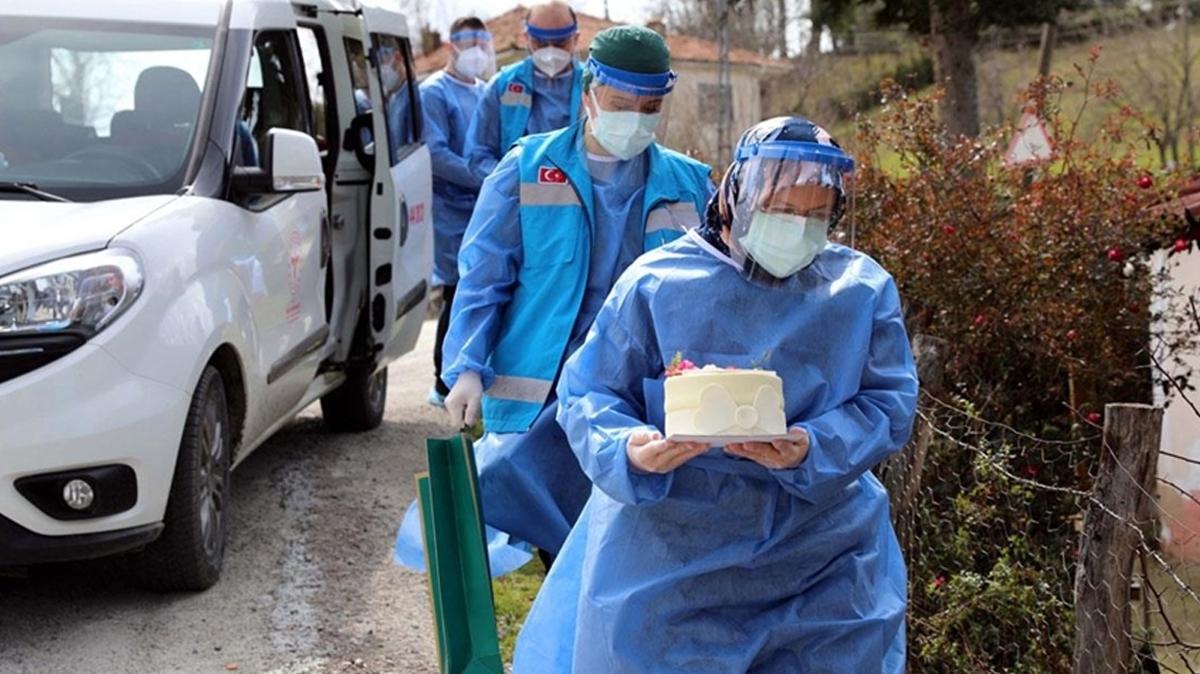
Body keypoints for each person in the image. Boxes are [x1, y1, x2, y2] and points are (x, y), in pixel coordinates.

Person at [511, 116, 920, 672]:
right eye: (781, 209)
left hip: (822, 559)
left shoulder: (858, 290)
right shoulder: (658, 282)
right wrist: (628, 448)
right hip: (669, 556)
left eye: (815, 216)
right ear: (733, 197)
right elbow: (590, 392)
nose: (797, 227)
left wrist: (815, 445)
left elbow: (887, 401)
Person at [394, 26, 714, 572]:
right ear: (589, 92)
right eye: (621, 104)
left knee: (627, 555)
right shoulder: (527, 168)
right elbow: (484, 277)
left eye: (650, 108)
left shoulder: (689, 184)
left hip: (640, 407)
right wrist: (466, 365)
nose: (635, 119)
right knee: (562, 551)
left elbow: (713, 293)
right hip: (543, 403)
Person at [421, 17, 494, 408]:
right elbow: (435, 154)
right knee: (457, 294)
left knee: (480, 291)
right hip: (450, 210)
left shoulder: (485, 91)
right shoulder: (434, 93)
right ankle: (443, 381)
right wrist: (485, 176)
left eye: (483, 46)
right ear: (451, 48)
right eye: (469, 47)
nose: (477, 55)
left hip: (483, 208)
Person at [463, 1, 582, 181]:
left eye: (560, 43)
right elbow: (477, 155)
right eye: (540, 43)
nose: (550, 52)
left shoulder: (594, 86)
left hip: (580, 193)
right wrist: (512, 181)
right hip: (515, 194)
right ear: (526, 37)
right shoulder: (504, 85)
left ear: (576, 38)